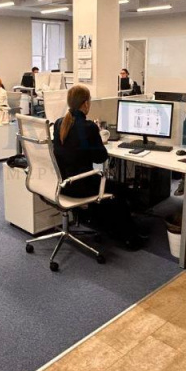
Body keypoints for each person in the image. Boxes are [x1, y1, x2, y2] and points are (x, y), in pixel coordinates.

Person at [53, 85, 145, 250]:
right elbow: (100, 157)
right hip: (81, 186)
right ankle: (130, 238)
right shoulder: (88, 127)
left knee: (114, 187)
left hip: (64, 184)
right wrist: (97, 138)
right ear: (86, 104)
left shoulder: (59, 123)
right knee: (122, 190)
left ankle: (109, 225)